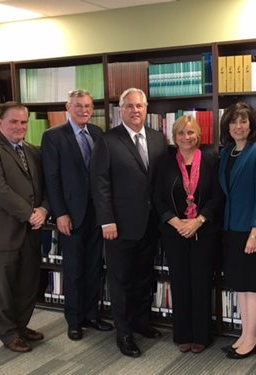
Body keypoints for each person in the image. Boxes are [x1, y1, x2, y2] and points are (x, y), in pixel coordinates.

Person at [90, 87, 168, 358]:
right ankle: (123, 334)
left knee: (144, 277)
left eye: (140, 106)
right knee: (120, 280)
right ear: (120, 110)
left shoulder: (158, 139)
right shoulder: (108, 140)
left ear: (147, 109)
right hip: (119, 227)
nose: (136, 110)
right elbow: (99, 184)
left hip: (150, 224)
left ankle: (141, 322)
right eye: (130, 106)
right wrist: (106, 221)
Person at [0, 102, 49, 353]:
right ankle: (8, 334)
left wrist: (44, 210)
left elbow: (45, 186)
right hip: (2, 232)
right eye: (13, 122)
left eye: (23, 122)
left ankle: (20, 325)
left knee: (28, 284)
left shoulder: (32, 150)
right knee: (3, 288)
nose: (20, 126)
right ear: (0, 122)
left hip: (31, 230)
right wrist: (30, 214)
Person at [41, 89, 112, 341]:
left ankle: (91, 316)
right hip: (71, 214)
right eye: (78, 106)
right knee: (74, 269)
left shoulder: (96, 133)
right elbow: (51, 178)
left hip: (97, 213)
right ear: (67, 107)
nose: (84, 110)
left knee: (94, 266)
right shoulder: (53, 136)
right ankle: (74, 320)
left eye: (88, 106)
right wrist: (60, 213)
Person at [153, 115, 223, 354]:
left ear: (198, 135)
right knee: (180, 282)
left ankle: (202, 335)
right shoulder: (164, 162)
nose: (186, 137)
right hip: (174, 232)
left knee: (202, 282)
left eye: (191, 132)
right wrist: (177, 223)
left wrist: (198, 220)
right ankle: (182, 334)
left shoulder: (212, 160)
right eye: (181, 133)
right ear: (175, 136)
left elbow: (217, 196)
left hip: (203, 231)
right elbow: (157, 198)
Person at [218, 102, 256, 359]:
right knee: (240, 285)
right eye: (233, 122)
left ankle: (252, 337)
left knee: (252, 285)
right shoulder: (226, 153)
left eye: (243, 122)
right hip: (231, 227)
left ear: (251, 125)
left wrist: (255, 230)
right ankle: (243, 333)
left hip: (252, 230)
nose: (237, 127)